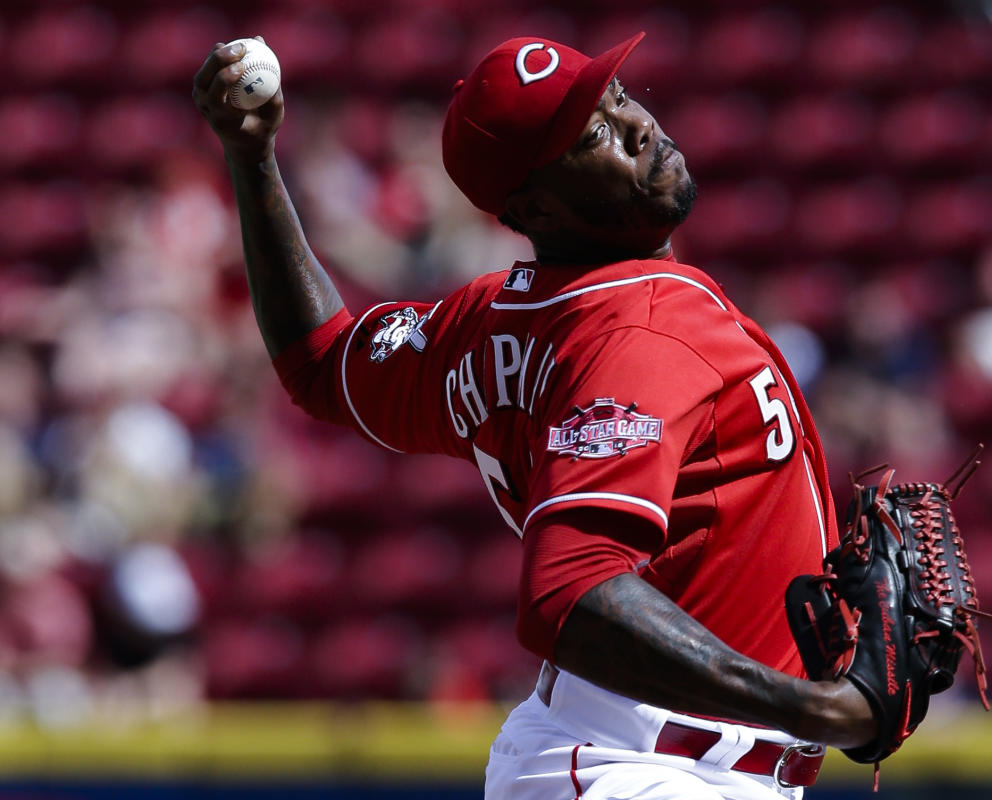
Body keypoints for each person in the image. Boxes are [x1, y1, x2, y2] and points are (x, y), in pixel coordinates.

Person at [193, 31, 876, 800]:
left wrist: (252, 164)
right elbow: (572, 590)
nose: (637, 126)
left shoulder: (493, 319)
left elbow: (320, 356)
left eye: (617, 96)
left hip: (640, 758)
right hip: (649, 770)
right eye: (594, 134)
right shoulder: (636, 338)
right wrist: (817, 708)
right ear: (536, 206)